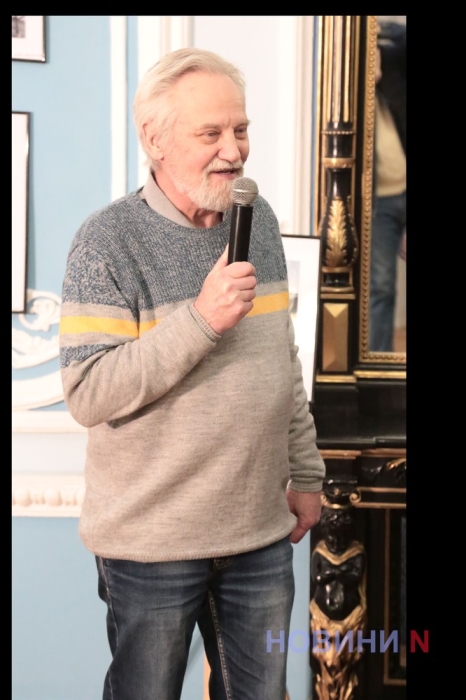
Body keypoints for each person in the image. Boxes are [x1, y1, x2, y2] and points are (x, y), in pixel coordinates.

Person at [59, 47, 326, 700]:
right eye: (211, 133)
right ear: (155, 139)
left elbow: (281, 362)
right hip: (151, 548)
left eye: (241, 129)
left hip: (259, 535)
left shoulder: (259, 222)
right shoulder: (107, 242)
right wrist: (202, 319)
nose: (234, 150)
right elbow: (90, 392)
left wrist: (307, 472)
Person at [369, 20, 406, 352]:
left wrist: (376, 30)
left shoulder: (395, 80)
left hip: (404, 191)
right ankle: (379, 360)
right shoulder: (349, 96)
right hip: (379, 203)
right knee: (381, 286)